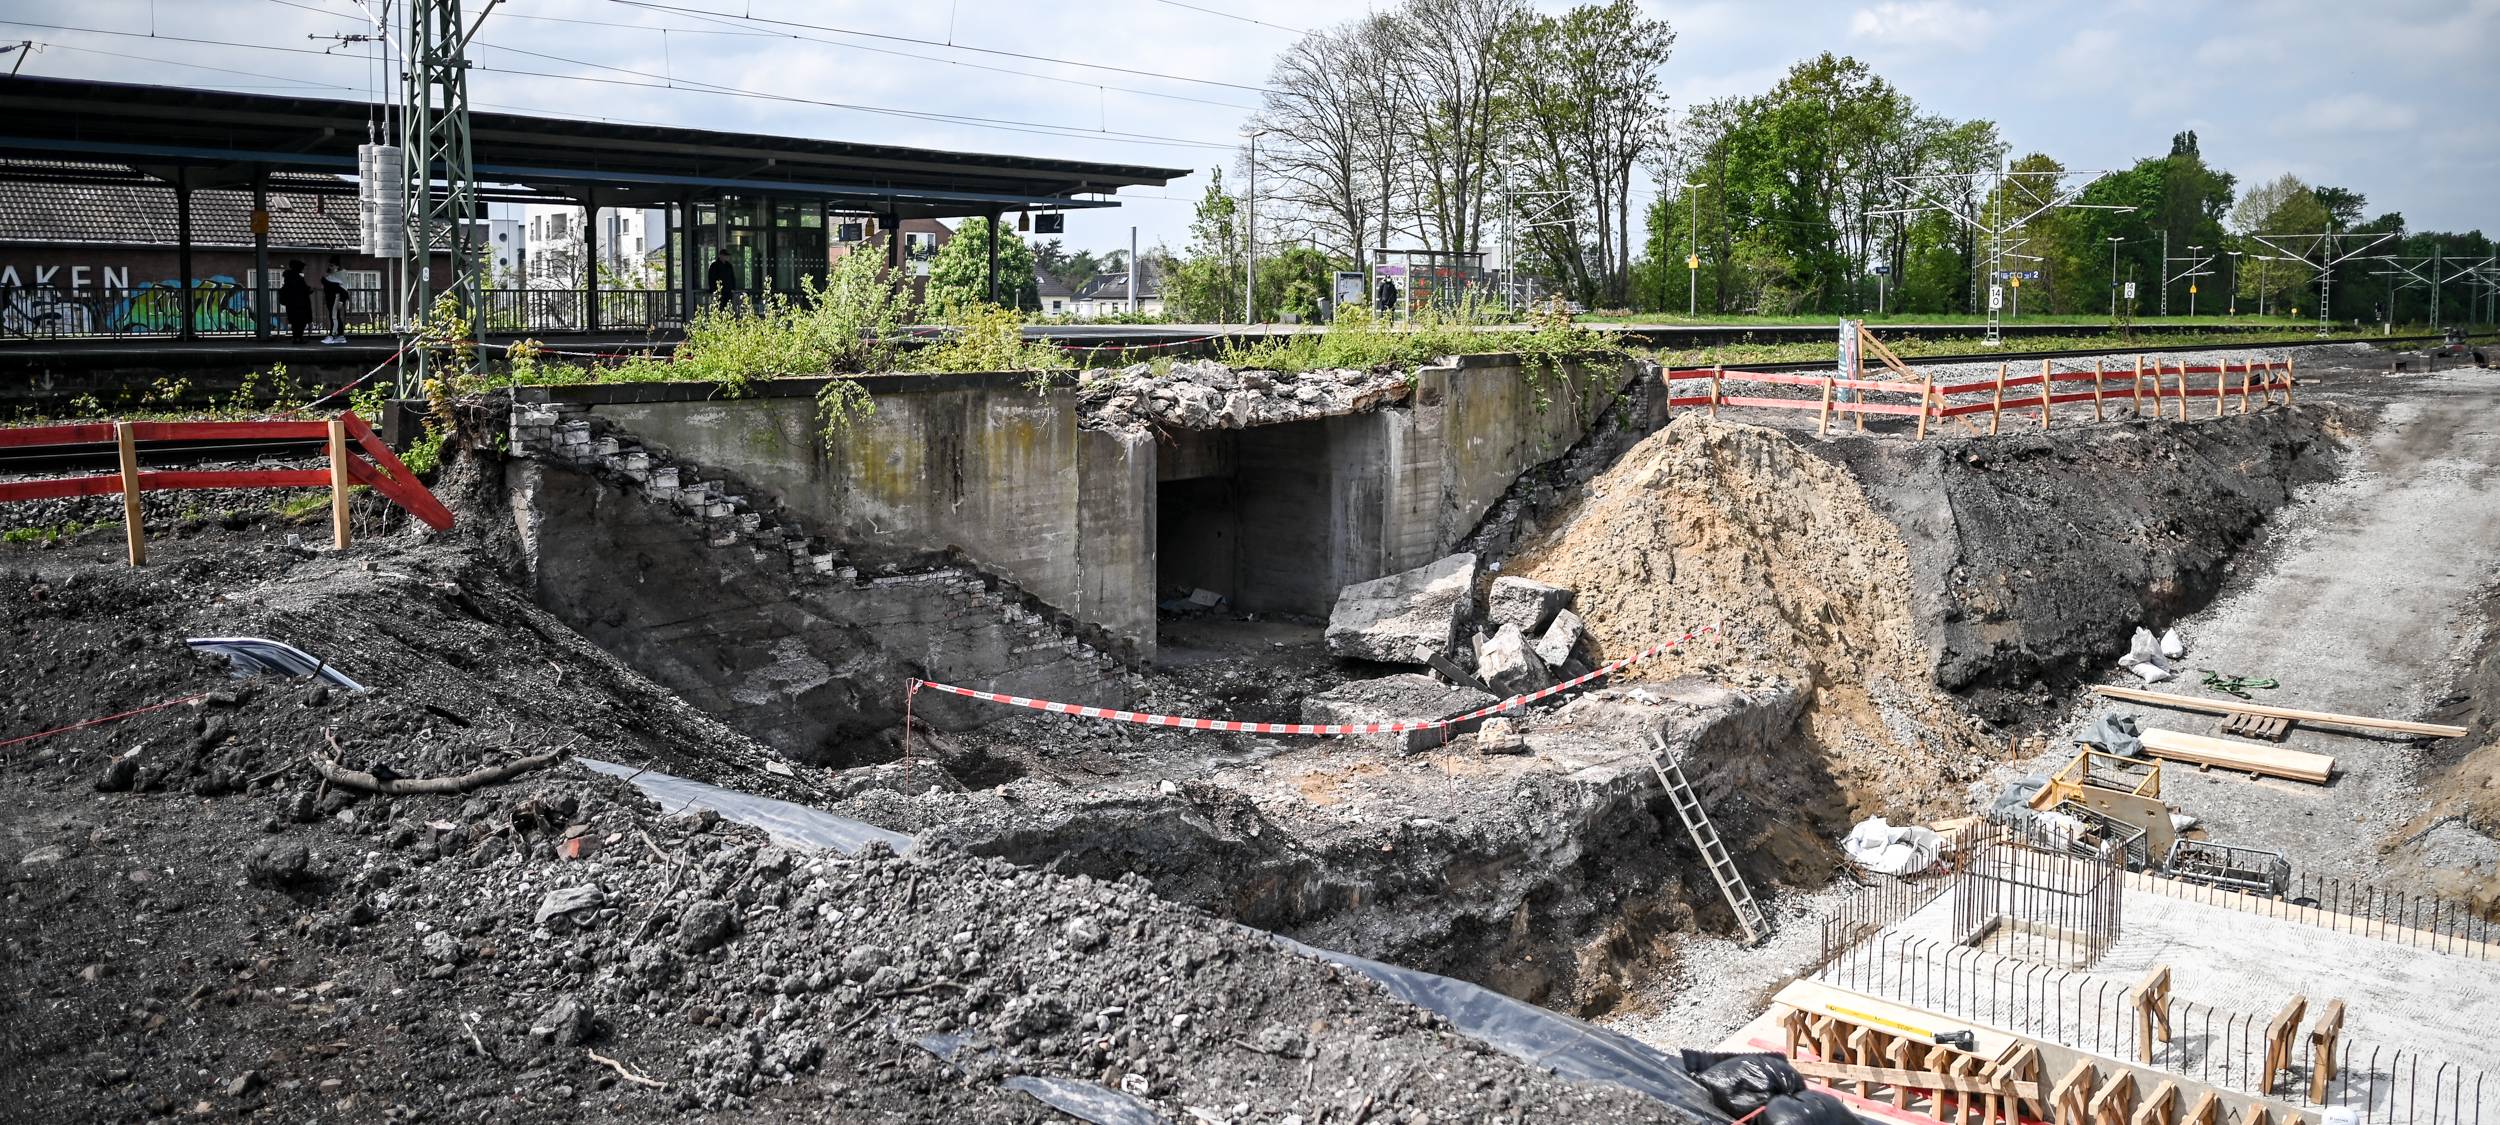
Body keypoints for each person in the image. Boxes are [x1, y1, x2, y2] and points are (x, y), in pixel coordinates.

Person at [278, 260, 314, 345]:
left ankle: (295, 338)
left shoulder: (288, 277)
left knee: (295, 322)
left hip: (291, 304)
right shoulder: (298, 278)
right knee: (301, 322)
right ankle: (299, 338)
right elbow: (304, 290)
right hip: (301, 304)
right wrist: (309, 290)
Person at [320, 257, 350, 344]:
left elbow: (344, 291)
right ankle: (340, 336)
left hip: (335, 298)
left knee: (334, 317)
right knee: (335, 317)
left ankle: (332, 336)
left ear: (337, 266)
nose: (330, 267)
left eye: (332, 265)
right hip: (331, 299)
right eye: (330, 266)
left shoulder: (340, 275)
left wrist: (341, 301)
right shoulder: (331, 276)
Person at [706, 248, 741, 312]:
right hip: (718, 292)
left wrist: (733, 288)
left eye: (727, 256)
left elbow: (732, 277)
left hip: (728, 291)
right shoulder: (714, 266)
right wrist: (713, 290)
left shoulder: (729, 266)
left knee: (728, 308)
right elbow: (711, 279)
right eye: (725, 255)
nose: (726, 257)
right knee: (719, 308)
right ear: (720, 256)